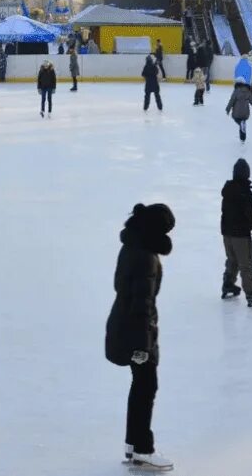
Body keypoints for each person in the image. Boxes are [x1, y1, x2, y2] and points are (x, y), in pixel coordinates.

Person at [104, 202, 175, 471]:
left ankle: (133, 445)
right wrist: (143, 346)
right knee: (147, 387)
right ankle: (143, 450)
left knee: (141, 386)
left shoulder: (132, 246)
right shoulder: (145, 255)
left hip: (124, 325)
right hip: (135, 331)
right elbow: (142, 304)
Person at [221, 158, 252, 307]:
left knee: (232, 260)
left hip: (227, 234)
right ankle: (251, 294)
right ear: (247, 174)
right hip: (241, 235)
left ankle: (228, 285)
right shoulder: (245, 193)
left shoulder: (227, 190)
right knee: (245, 263)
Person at [225, 77, 252, 143]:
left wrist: (228, 109)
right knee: (243, 124)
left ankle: (241, 124)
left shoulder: (236, 91)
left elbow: (232, 101)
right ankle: (243, 139)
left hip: (237, 111)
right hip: (246, 112)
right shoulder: (248, 90)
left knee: (237, 119)